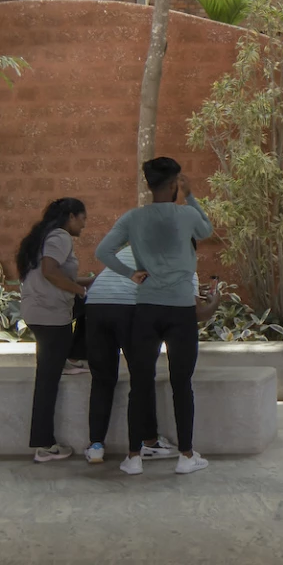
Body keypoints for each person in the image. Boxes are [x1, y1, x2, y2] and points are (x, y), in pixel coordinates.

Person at [93, 154, 216, 476]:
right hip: (181, 310)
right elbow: (206, 230)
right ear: (175, 183)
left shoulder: (133, 218)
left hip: (146, 308)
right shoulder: (186, 214)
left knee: (140, 382)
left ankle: (134, 457)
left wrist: (131, 273)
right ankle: (186, 456)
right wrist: (191, 195)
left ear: (148, 184)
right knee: (181, 383)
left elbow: (102, 251)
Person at [16, 196, 91, 463]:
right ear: (71, 217)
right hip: (50, 315)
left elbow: (53, 274)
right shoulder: (61, 236)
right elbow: (49, 271)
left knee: (90, 306)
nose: (84, 225)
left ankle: (70, 357)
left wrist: (88, 283)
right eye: (82, 219)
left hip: (39, 311)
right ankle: (44, 445)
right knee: (47, 381)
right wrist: (80, 290)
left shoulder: (44, 235)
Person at [76, 237, 145, 468]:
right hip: (127, 307)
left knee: (102, 379)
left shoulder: (125, 252)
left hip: (96, 305)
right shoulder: (159, 253)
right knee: (141, 376)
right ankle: (144, 443)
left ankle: (96, 446)